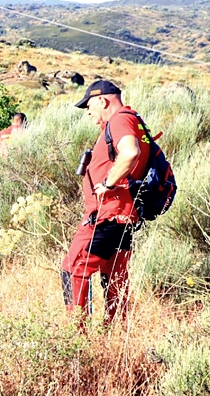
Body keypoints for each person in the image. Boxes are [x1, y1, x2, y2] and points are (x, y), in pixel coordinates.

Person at [61, 81, 148, 328]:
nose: (88, 113)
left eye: (89, 106)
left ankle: (76, 339)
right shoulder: (131, 119)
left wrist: (108, 183)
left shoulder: (120, 120)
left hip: (107, 217)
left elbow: (130, 152)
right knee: (115, 277)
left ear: (103, 100)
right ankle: (116, 335)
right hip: (124, 218)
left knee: (73, 268)